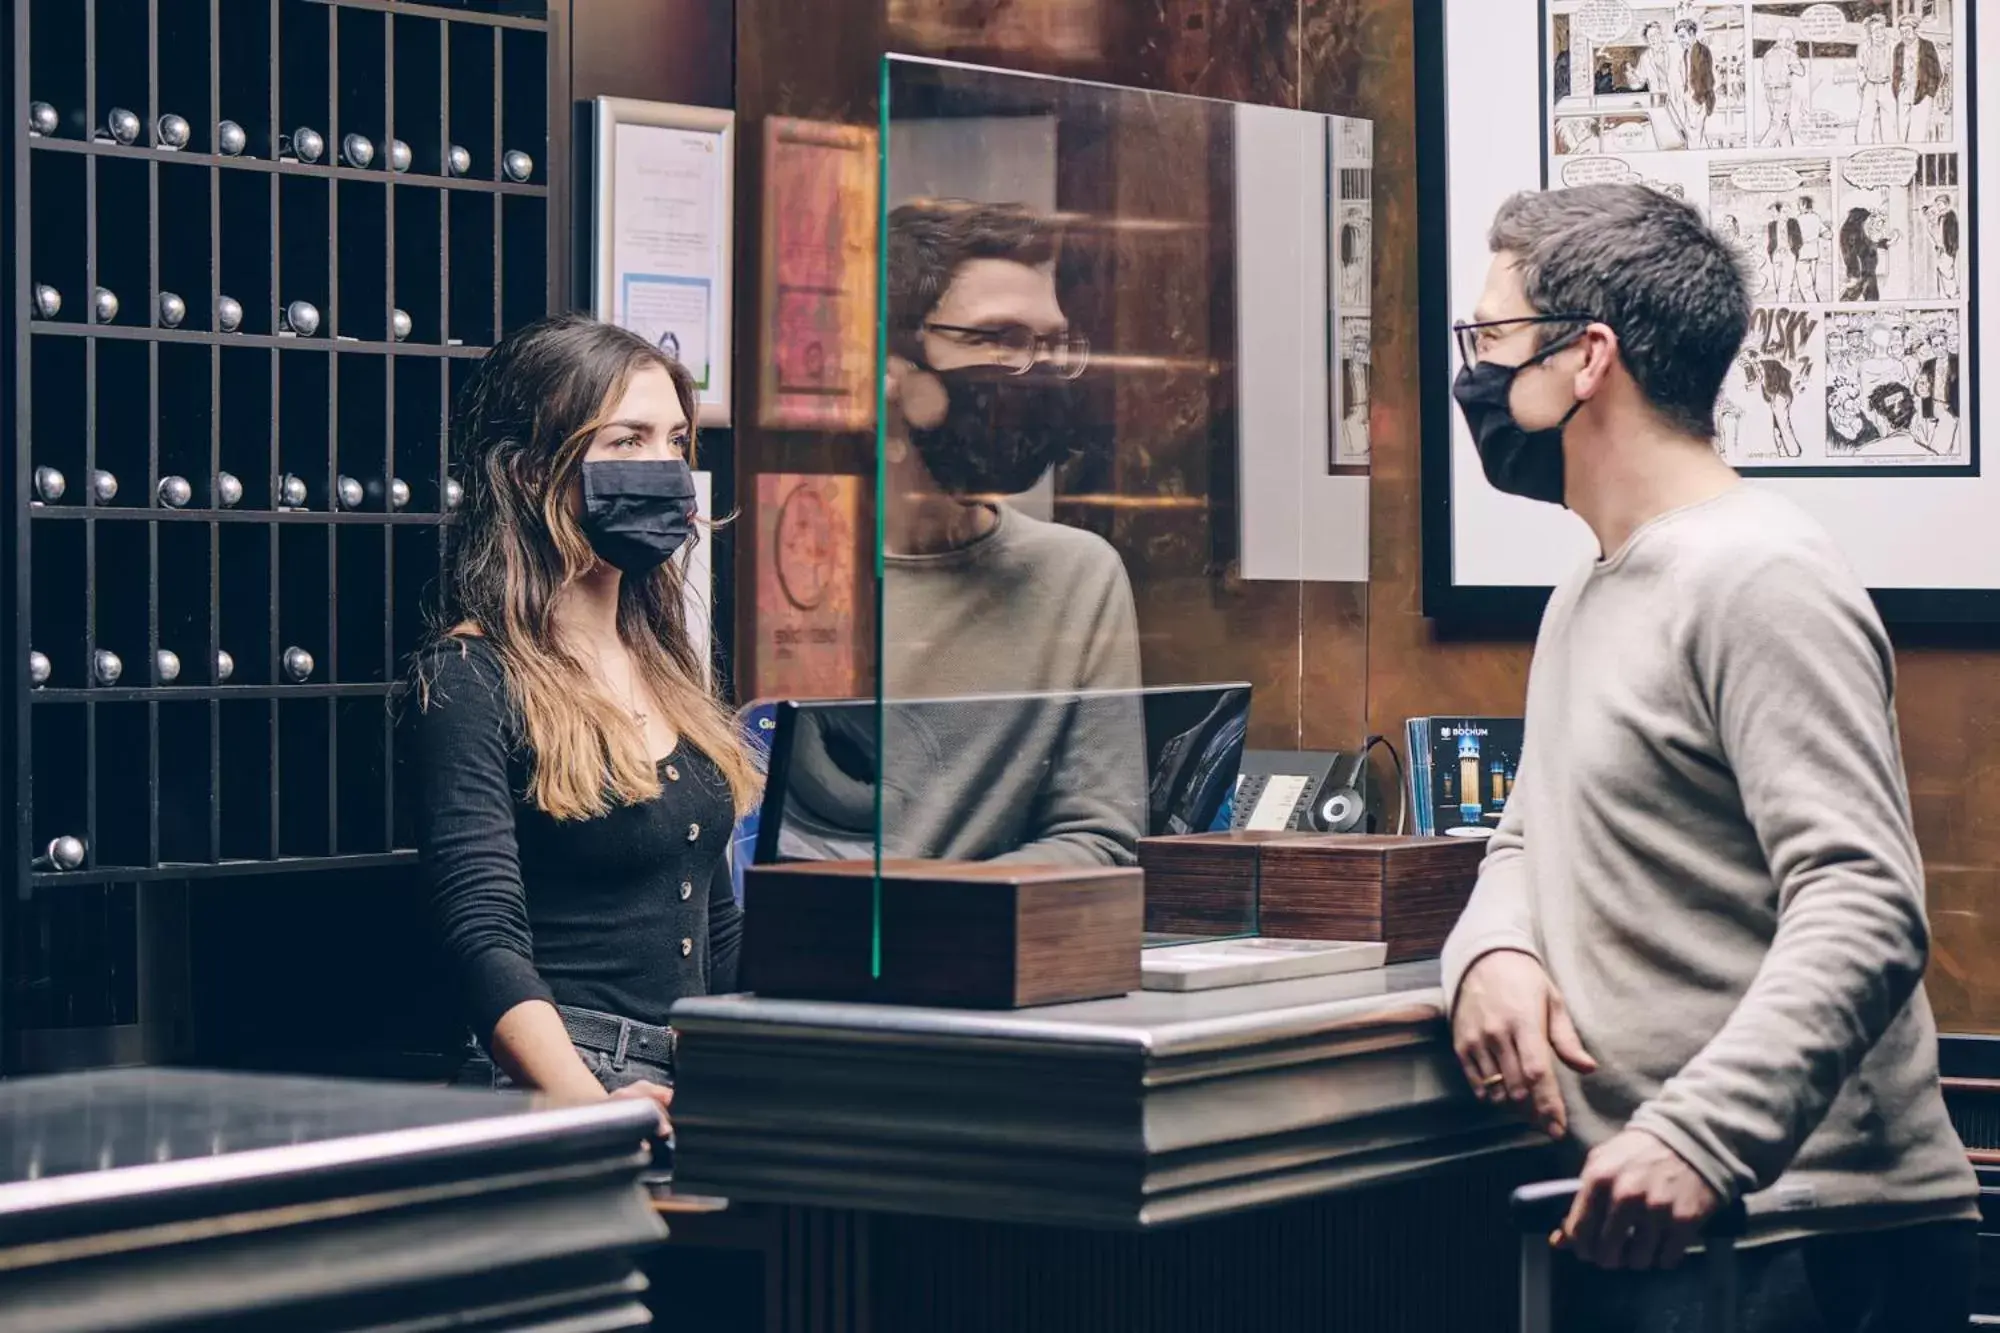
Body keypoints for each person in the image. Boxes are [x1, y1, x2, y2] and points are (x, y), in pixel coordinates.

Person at [1444, 183, 1978, 1331]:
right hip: (1650, 1223)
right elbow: (1529, 834)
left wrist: (1697, 1135)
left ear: (1584, 358)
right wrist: (1489, 952)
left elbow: (1863, 902)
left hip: (1802, 1239)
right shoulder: (1588, 581)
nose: (1474, 374)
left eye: (1488, 338)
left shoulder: (1758, 575)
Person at [407, 315, 760, 1128]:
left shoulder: (673, 667)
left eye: (675, 442)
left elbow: (717, 921)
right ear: (534, 472)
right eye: (627, 442)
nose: (664, 468)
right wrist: (588, 1108)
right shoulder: (469, 677)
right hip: (559, 1085)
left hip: (689, 1070)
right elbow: (483, 936)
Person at [781, 199, 1144, 868]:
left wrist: (936, 919)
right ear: (890, 364)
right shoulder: (782, 572)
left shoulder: (1077, 574)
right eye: (998, 339)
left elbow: (1100, 838)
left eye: (1050, 343)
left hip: (981, 954)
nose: (1031, 370)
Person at [1893, 15, 1943, 143]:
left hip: (1922, 91)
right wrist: (1896, 89)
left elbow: (1936, 72)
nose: (1904, 35)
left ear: (1915, 30)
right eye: (1902, 32)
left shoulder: (1927, 46)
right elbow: (1896, 71)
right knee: (1901, 131)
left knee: (1918, 134)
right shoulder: (1898, 48)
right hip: (1903, 91)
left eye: (1908, 32)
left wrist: (1930, 93)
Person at [1757, 27, 1805, 147]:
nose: (1792, 44)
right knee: (1778, 124)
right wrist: (1795, 54)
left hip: (1769, 92)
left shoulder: (1768, 54)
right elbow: (1801, 71)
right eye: (1791, 41)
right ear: (1787, 41)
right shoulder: (1789, 54)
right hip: (1782, 92)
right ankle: (1762, 149)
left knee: (1782, 124)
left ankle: (1787, 149)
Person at [1673, 19, 1715, 150]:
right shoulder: (1686, 53)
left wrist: (1697, 99)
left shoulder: (1703, 51)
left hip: (1698, 100)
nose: (1681, 41)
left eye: (1683, 37)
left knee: (1694, 138)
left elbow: (1708, 79)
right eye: (1679, 38)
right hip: (1689, 100)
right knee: (1694, 137)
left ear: (1692, 34)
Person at [1855, 15, 1894, 144]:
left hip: (1887, 85)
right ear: (1870, 32)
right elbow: (1860, 68)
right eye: (1874, 30)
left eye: (1880, 29)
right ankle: (1862, 145)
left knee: (1888, 116)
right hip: (1870, 85)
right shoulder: (1864, 46)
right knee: (1866, 115)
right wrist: (1864, 84)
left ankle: (1890, 145)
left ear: (1884, 29)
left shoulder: (1892, 44)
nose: (1878, 33)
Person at [1925, 193, 1960, 299]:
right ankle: (1947, 295)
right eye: (1937, 204)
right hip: (1942, 249)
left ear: (1946, 204)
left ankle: (1953, 294)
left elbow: (1953, 234)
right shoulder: (1940, 217)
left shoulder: (1950, 216)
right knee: (1942, 270)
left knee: (1947, 271)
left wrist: (1950, 248)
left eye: (1940, 204)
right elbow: (1939, 233)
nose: (1938, 206)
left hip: (1948, 249)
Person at [1796, 194, 1827, 301]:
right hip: (1814, 254)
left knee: (1805, 287)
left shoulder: (1799, 219)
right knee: (1812, 285)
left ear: (1804, 205)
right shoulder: (1816, 217)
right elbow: (1828, 234)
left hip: (1802, 255)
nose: (1798, 207)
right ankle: (1815, 304)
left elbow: (1795, 237)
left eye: (1799, 205)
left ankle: (1813, 307)